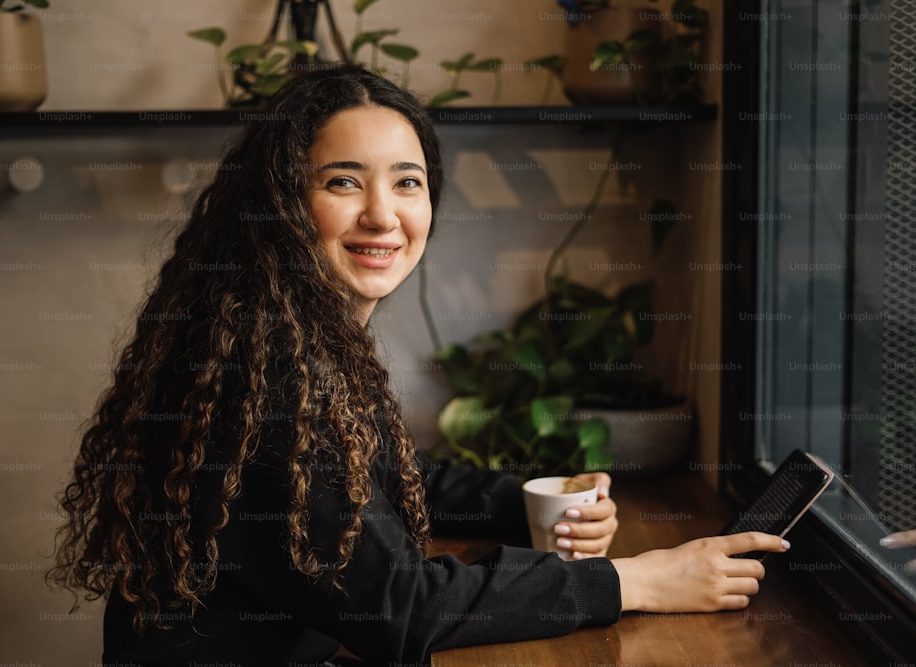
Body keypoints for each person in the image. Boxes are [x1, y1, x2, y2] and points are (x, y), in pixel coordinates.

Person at [48, 66, 790, 667]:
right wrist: (637, 579)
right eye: (343, 181)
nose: (383, 214)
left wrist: (525, 501)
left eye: (407, 181)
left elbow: (383, 473)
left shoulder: (292, 339)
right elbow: (397, 610)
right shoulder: (264, 377)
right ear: (280, 205)